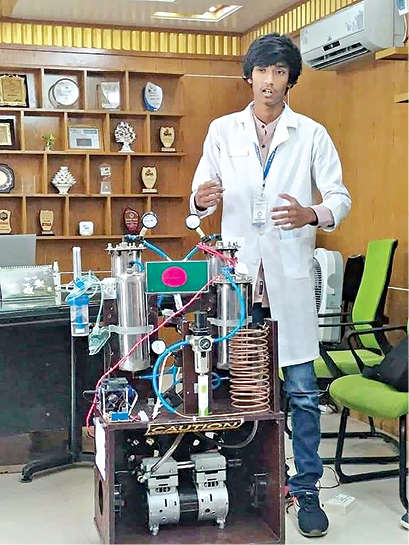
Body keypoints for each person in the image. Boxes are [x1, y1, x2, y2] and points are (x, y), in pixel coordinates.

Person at [190, 33, 351, 537]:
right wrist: (199, 200)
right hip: (239, 280)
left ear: (290, 81)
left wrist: (312, 213)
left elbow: (340, 197)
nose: (269, 81)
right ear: (249, 76)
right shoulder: (222, 130)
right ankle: (249, 484)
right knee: (241, 388)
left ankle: (306, 489)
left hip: (289, 276)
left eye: (280, 72)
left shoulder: (311, 134)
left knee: (301, 392)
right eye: (262, 70)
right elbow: (200, 197)